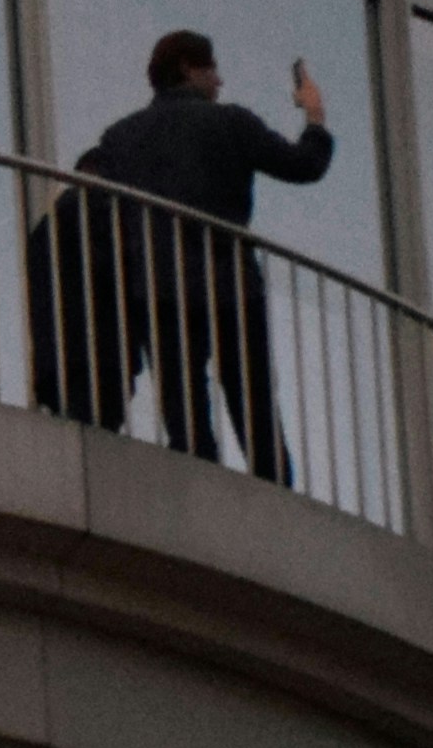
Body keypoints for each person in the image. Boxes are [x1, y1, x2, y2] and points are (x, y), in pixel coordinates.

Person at [62, 30, 331, 472]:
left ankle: (196, 482)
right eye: (213, 70)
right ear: (189, 68)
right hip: (231, 287)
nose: (219, 81)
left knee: (183, 407)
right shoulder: (230, 123)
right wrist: (315, 116)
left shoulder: (119, 138)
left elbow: (99, 216)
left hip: (157, 291)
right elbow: (304, 165)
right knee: (253, 401)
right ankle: (274, 489)